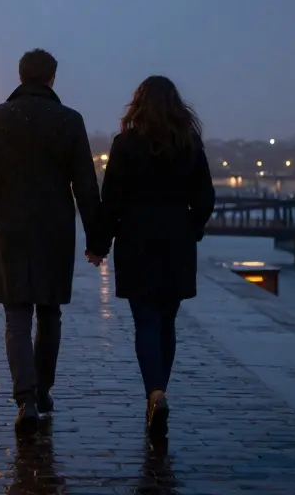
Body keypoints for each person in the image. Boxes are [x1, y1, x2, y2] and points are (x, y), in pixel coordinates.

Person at [0, 48, 102, 431]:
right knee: (50, 314)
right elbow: (86, 188)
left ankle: (24, 399)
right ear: (53, 79)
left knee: (16, 317)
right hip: (55, 230)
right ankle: (42, 390)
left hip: (10, 229)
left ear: (20, 76)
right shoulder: (70, 121)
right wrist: (97, 240)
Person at [92, 75, 215, 441]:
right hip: (177, 239)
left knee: (145, 320)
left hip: (136, 238)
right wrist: (191, 227)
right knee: (167, 321)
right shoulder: (190, 144)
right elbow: (206, 198)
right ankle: (161, 390)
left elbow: (110, 200)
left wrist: (100, 244)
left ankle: (154, 393)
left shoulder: (125, 144)